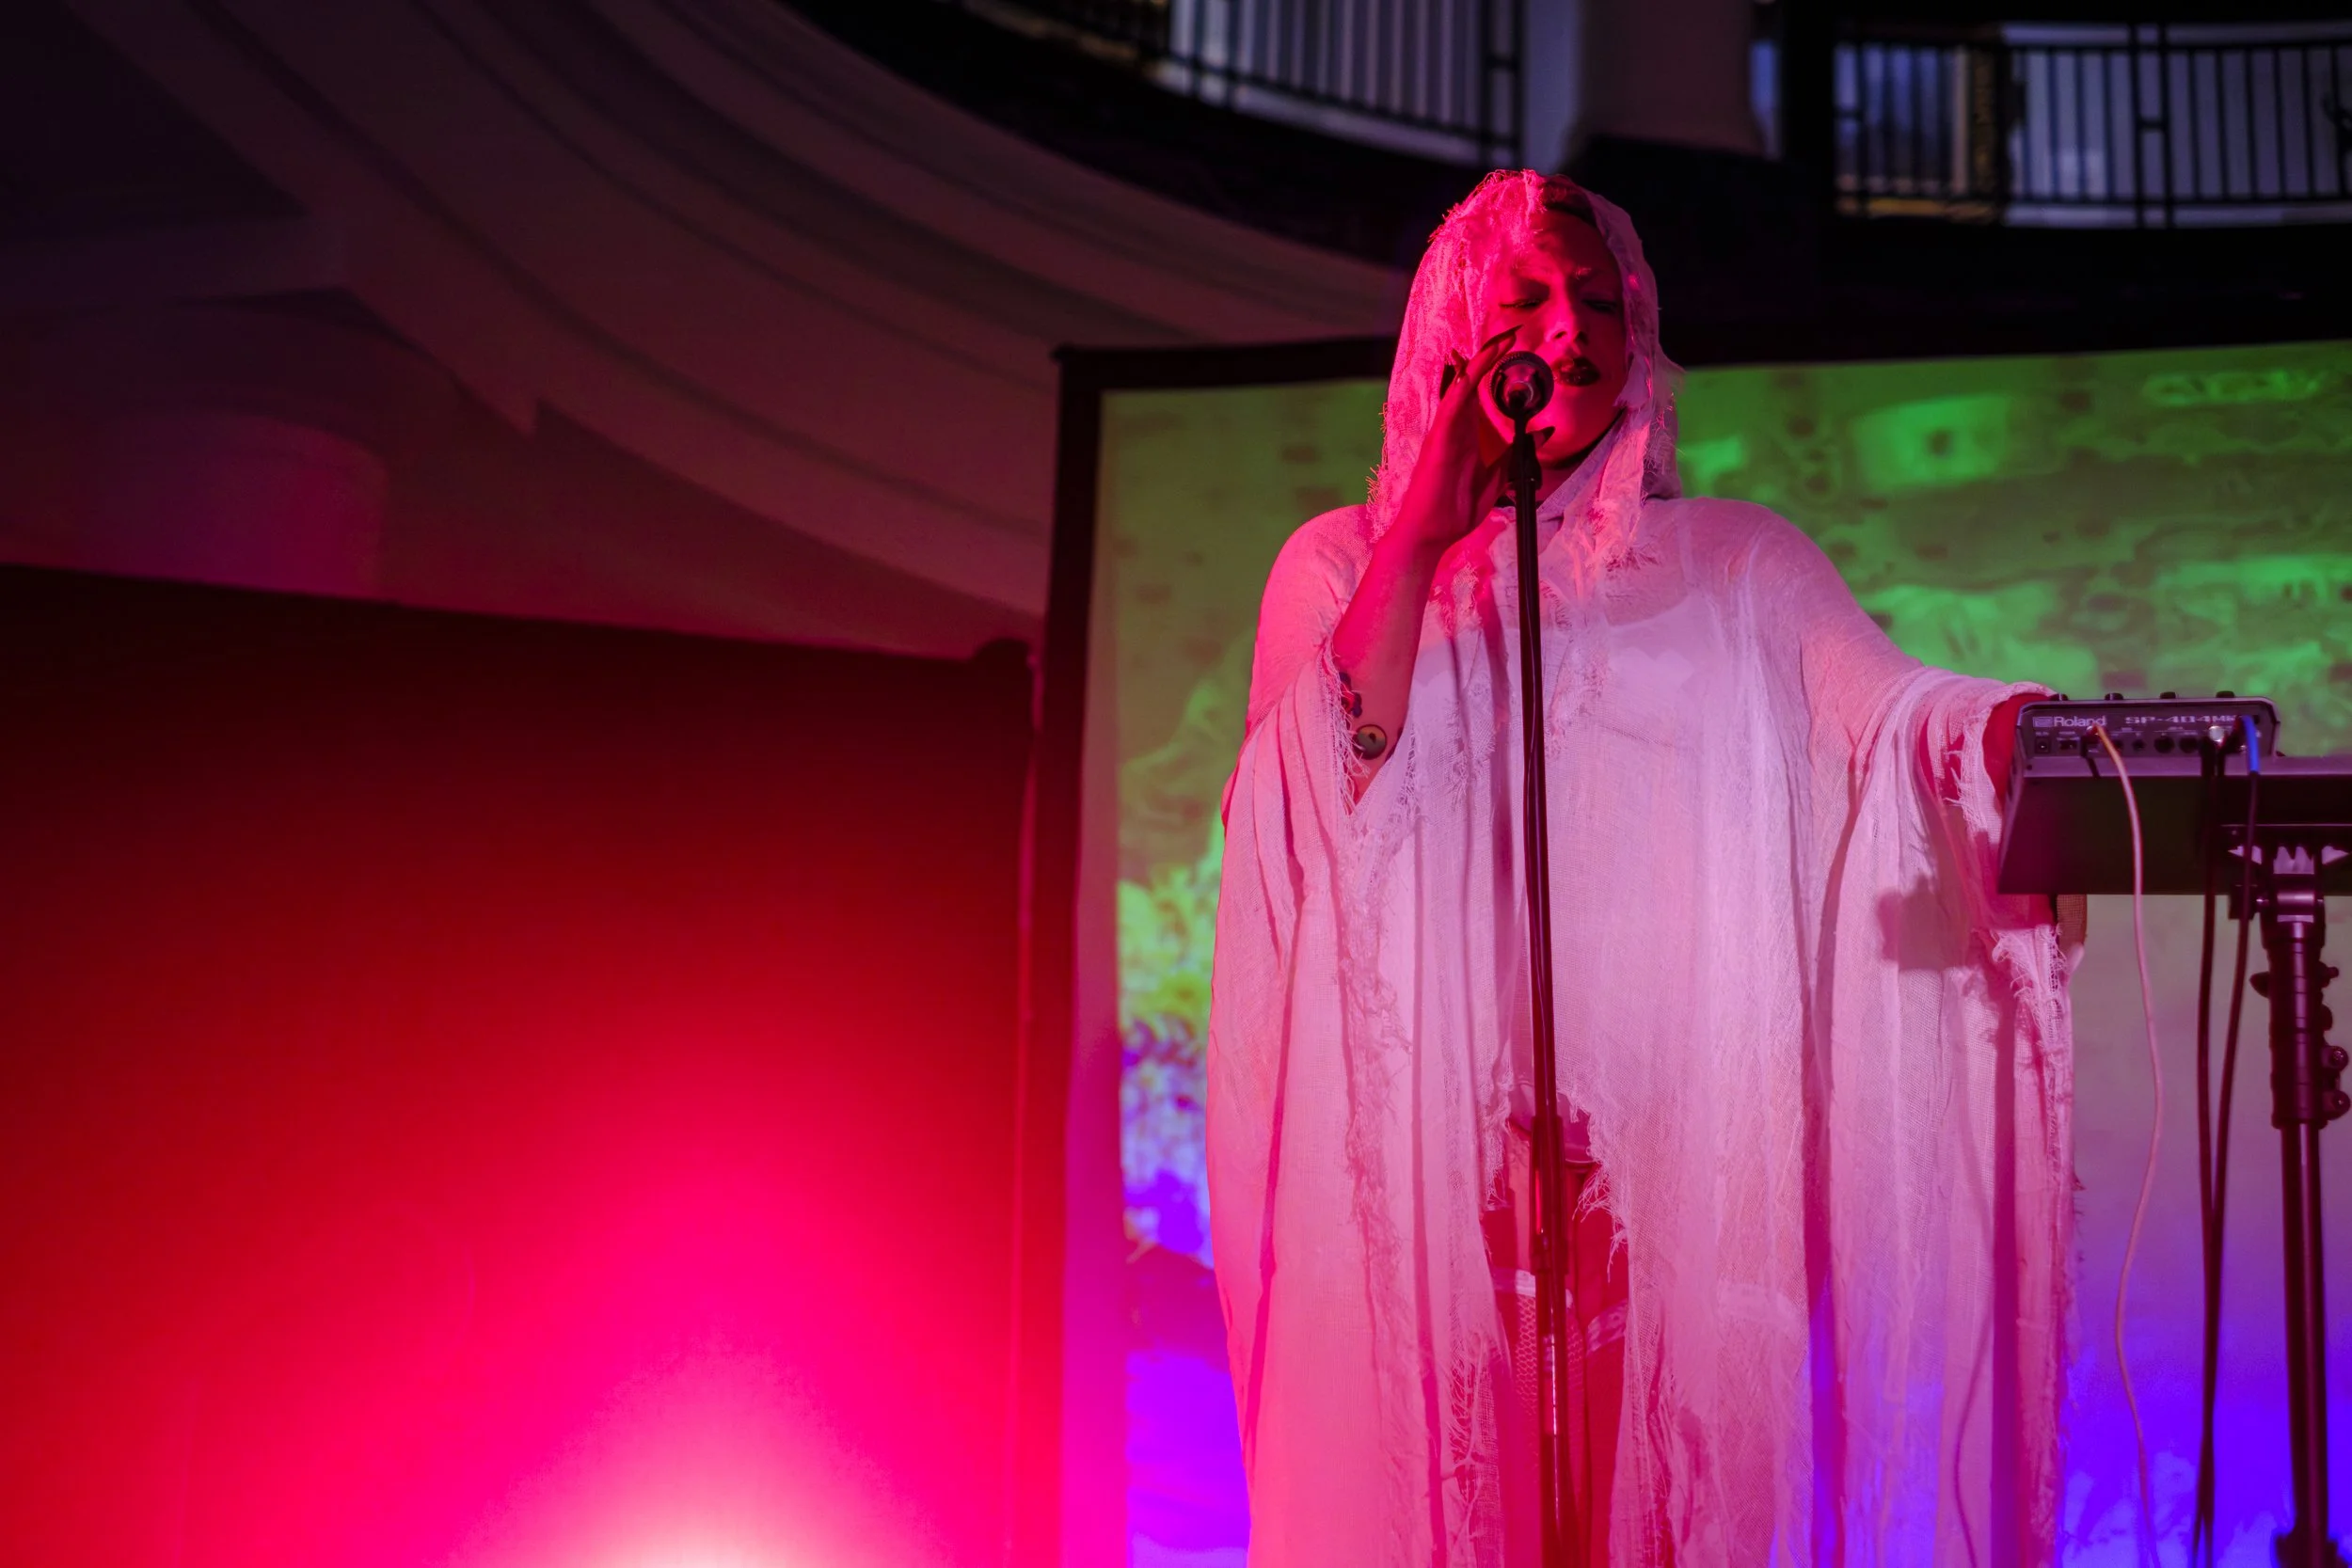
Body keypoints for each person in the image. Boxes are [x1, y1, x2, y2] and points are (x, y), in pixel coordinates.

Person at [1205, 170, 2076, 1565]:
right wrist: (1426, 525)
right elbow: (1314, 801)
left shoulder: (1729, 560)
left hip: (1653, 1234)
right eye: (1533, 295)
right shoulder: (1340, 569)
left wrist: (2010, 730)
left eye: (1605, 302)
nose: (1575, 325)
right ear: (1449, 327)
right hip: (1435, 1233)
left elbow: (1890, 709)